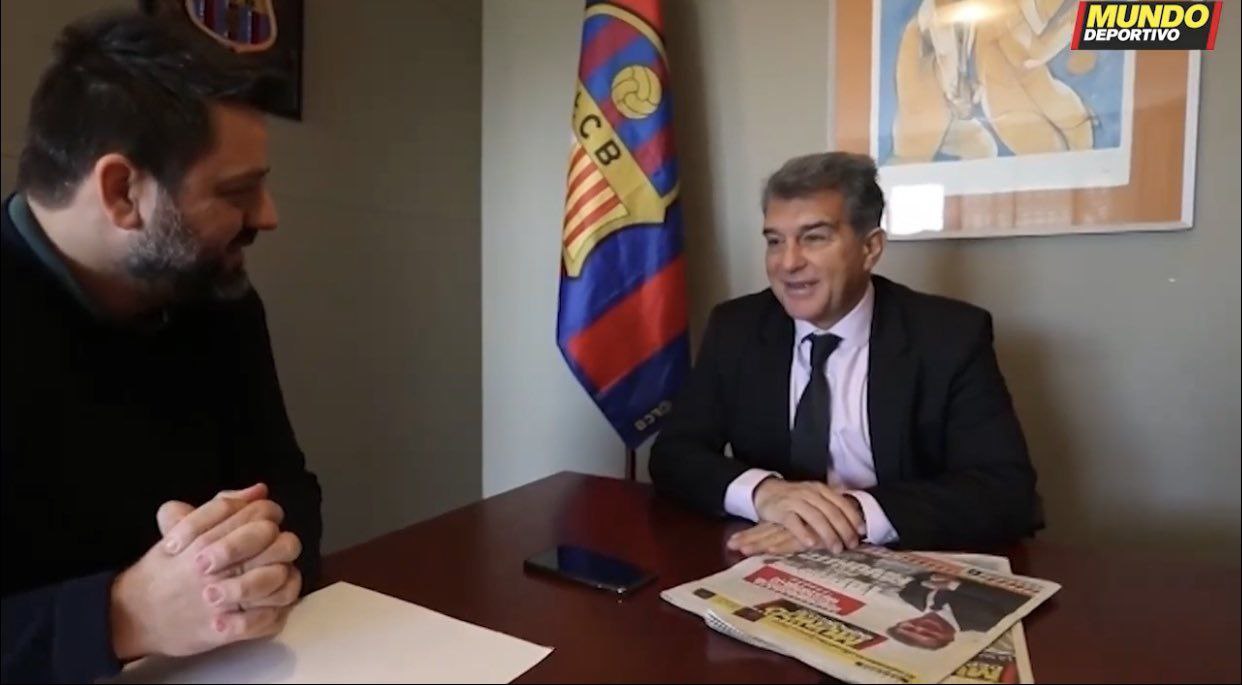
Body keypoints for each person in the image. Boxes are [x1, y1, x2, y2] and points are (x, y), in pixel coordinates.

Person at [1, 11, 322, 683]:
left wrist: (246, 550)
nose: (268, 215)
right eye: (237, 191)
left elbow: (292, 492)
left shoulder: (220, 301)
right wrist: (123, 614)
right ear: (122, 191)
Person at [648, 152, 1040, 555]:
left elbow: (1006, 491)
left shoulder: (948, 336)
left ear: (870, 248)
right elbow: (674, 454)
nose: (788, 263)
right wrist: (765, 492)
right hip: (766, 552)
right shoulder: (737, 327)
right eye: (775, 241)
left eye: (814, 237)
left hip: (896, 559)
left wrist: (851, 514)